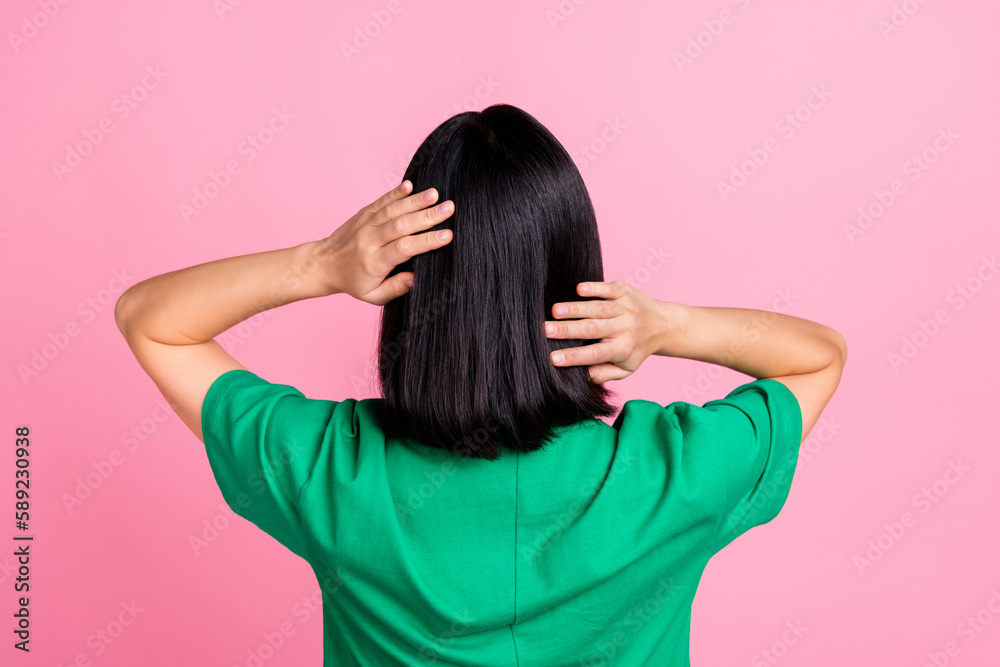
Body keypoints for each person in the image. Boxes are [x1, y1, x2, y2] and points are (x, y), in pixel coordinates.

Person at [115, 104, 846, 666]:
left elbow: (150, 319)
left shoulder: (332, 472)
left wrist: (320, 263)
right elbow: (817, 355)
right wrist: (665, 324)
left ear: (413, 293)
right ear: (577, 278)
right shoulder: (672, 475)